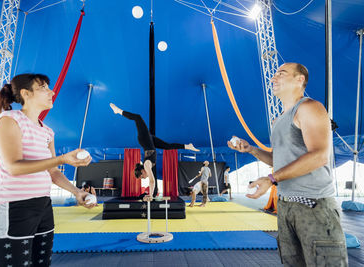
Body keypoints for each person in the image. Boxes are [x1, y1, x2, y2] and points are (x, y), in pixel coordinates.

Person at [228, 63, 348, 266]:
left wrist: (271, 179)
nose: (273, 78)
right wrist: (252, 150)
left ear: (300, 79)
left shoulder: (310, 107)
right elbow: (280, 160)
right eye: (274, 75)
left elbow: (319, 156)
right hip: (286, 207)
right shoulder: (278, 120)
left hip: (314, 205)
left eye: (281, 74)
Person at [0, 73, 94, 267]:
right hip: (14, 207)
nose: (51, 92)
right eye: (43, 88)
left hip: (43, 207)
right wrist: (62, 158)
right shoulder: (9, 120)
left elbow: (53, 172)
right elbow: (14, 167)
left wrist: (77, 192)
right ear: (26, 94)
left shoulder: (47, 131)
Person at [110, 103, 199, 201]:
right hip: (150, 141)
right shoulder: (147, 166)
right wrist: (151, 194)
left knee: (138, 118)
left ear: (142, 172)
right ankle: (187, 146)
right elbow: (152, 181)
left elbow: (152, 181)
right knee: (167, 146)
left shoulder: (146, 165)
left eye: (143, 177)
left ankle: (118, 111)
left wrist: (151, 195)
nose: (145, 177)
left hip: (145, 140)